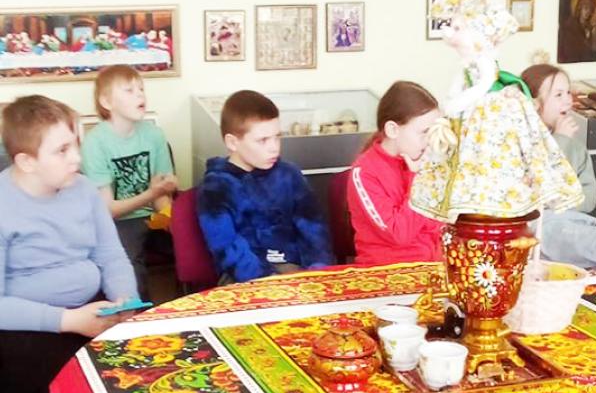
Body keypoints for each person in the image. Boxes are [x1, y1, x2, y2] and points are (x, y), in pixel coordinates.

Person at [0, 95, 138, 393]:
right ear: (27, 161)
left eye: (76, 144)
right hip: (28, 326)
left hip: (92, 310)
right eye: (62, 150)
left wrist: (125, 300)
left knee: (147, 373)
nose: (77, 157)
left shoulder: (83, 189)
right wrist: (70, 320)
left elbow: (110, 255)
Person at [198, 90, 333, 283]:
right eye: (263, 140)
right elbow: (227, 248)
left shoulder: (289, 174)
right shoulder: (216, 187)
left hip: (298, 272)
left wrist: (317, 271)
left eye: (277, 137)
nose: (274, 147)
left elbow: (314, 229)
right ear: (232, 142)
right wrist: (268, 280)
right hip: (245, 280)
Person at [81, 65, 178, 298]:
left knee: (192, 240)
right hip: (119, 220)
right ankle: (139, 314)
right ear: (106, 102)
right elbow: (108, 210)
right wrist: (152, 194)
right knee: (128, 266)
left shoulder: (154, 135)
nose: (140, 95)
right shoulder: (94, 143)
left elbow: (162, 195)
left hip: (153, 213)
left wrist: (172, 219)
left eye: (141, 89)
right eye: (129, 90)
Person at [346, 81, 443, 266]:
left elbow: (441, 225)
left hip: (433, 268)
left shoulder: (427, 161)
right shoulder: (364, 172)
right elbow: (400, 234)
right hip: (388, 274)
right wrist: (419, 181)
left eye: (435, 131)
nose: (431, 140)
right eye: (424, 132)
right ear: (392, 130)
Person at [522, 63, 596, 268]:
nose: (567, 100)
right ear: (534, 104)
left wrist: (559, 203)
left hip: (575, 224)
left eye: (567, 92)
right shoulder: (521, 141)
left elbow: (590, 198)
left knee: (589, 240)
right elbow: (531, 194)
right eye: (558, 95)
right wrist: (559, 142)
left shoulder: (576, 147)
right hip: (538, 227)